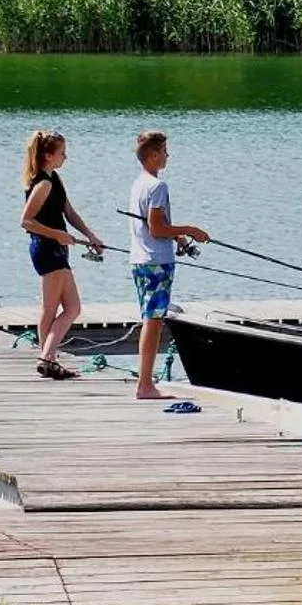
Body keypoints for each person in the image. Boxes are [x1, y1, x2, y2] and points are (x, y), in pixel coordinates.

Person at [127, 130, 208, 401]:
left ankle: (144, 382)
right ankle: (145, 385)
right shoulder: (158, 187)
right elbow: (156, 227)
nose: (167, 156)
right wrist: (190, 229)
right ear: (153, 155)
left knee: (149, 319)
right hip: (156, 263)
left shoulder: (139, 183)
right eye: (164, 151)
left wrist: (178, 236)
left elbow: (153, 226)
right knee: (153, 322)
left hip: (140, 260)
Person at [19, 131, 105, 380]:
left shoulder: (53, 178)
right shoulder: (43, 183)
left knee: (68, 308)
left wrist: (90, 236)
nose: (65, 157)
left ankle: (49, 359)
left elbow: (69, 212)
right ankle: (47, 358)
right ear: (47, 155)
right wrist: (56, 234)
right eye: (62, 153)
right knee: (63, 309)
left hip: (55, 249)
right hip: (47, 249)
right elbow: (26, 221)